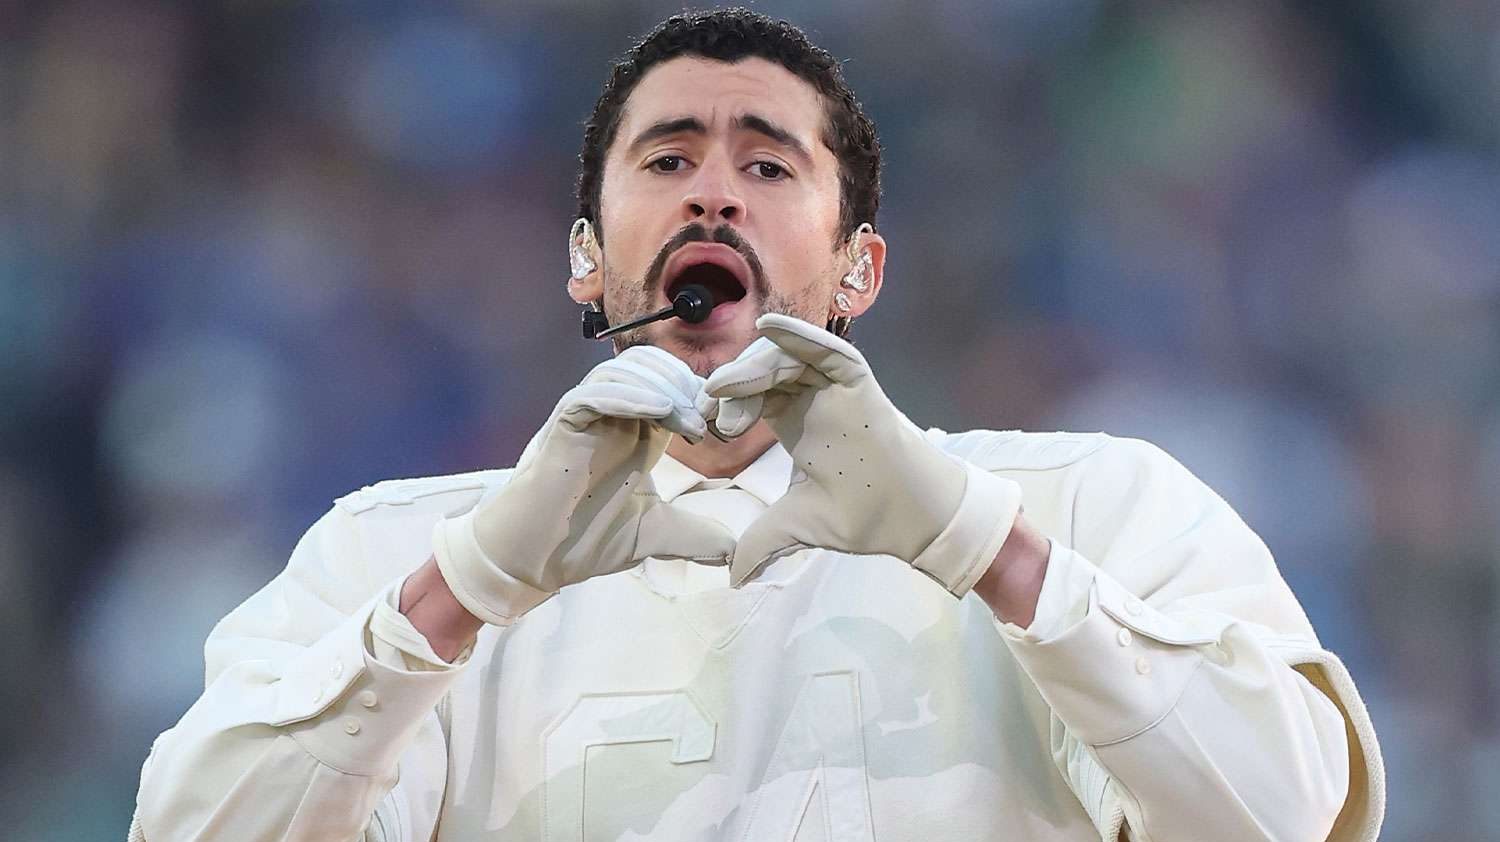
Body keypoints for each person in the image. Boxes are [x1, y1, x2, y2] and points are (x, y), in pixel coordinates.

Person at [130, 8, 1383, 841]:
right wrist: (464, 588)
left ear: (859, 269)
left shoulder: (1094, 505)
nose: (716, 194)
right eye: (666, 161)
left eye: (771, 166)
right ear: (586, 260)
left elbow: (1281, 813)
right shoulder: (395, 552)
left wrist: (983, 546)